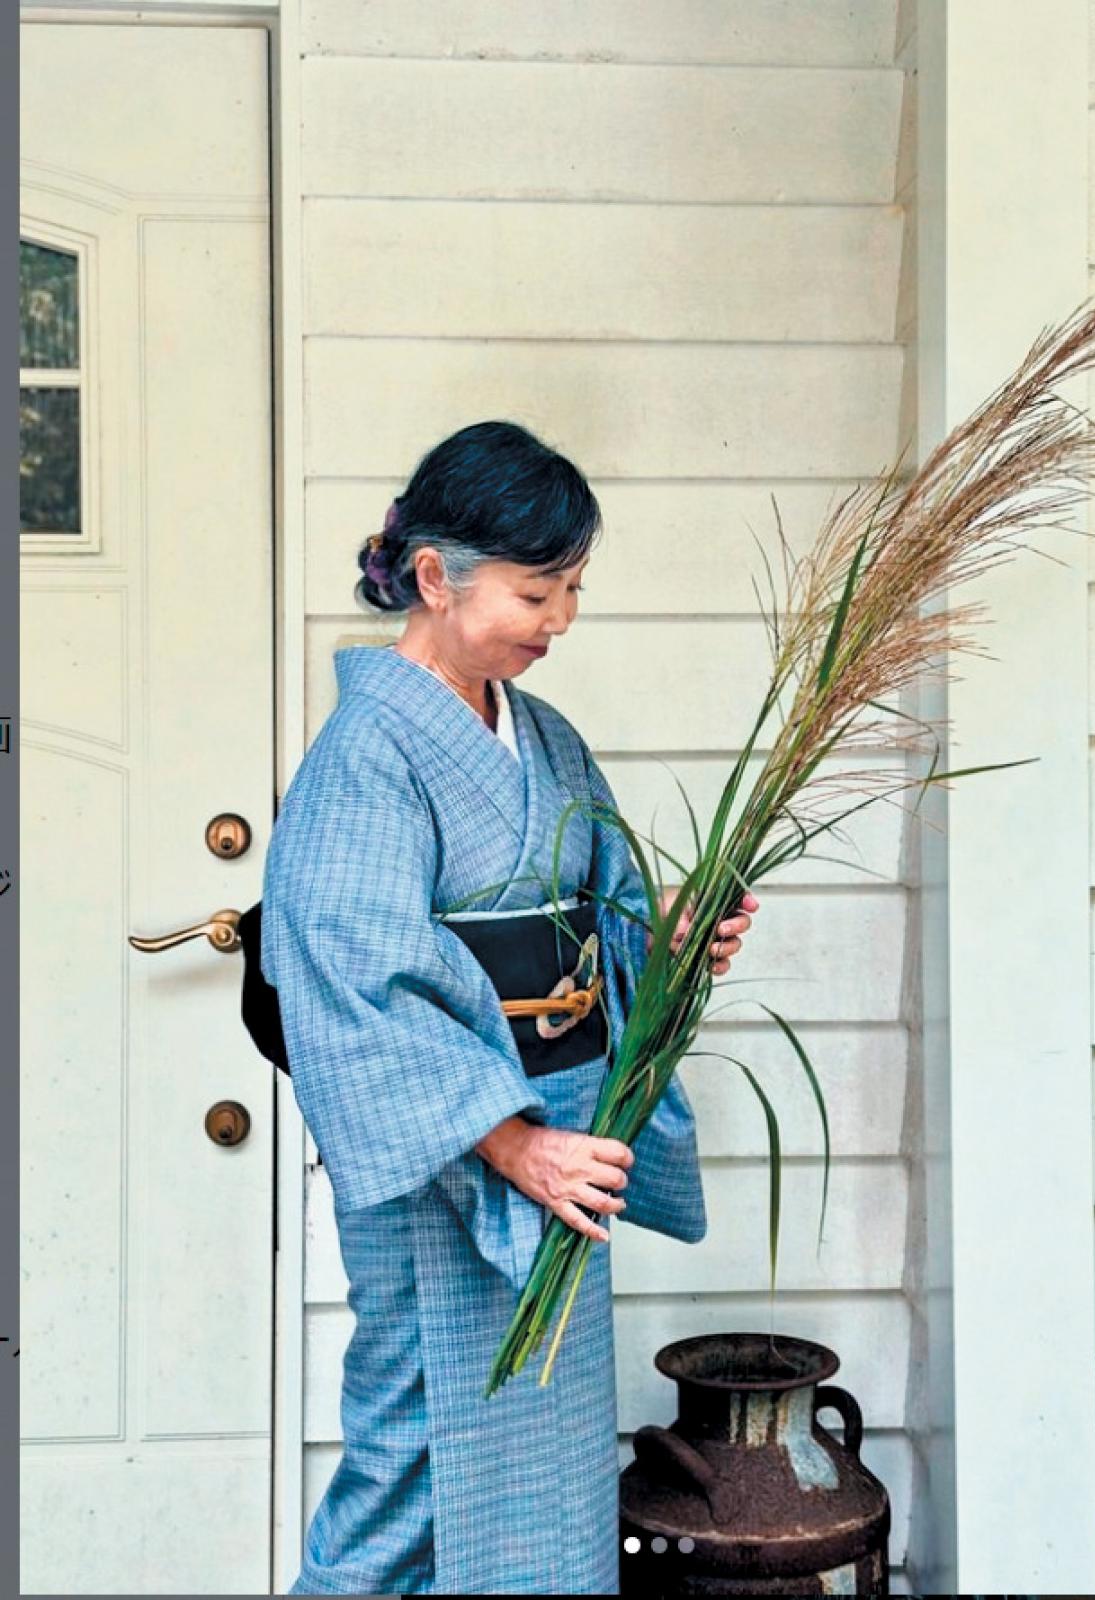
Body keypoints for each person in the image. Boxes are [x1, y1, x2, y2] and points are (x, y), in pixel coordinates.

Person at [260, 420, 758, 1595]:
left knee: (546, 1458)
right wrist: (510, 1139)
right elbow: (351, 981)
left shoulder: (543, 736)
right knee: (416, 1458)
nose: (560, 620)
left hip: (561, 1143)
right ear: (435, 576)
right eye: (538, 590)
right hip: (460, 1156)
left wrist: (672, 934)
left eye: (573, 588)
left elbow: (604, 918)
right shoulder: (365, 758)